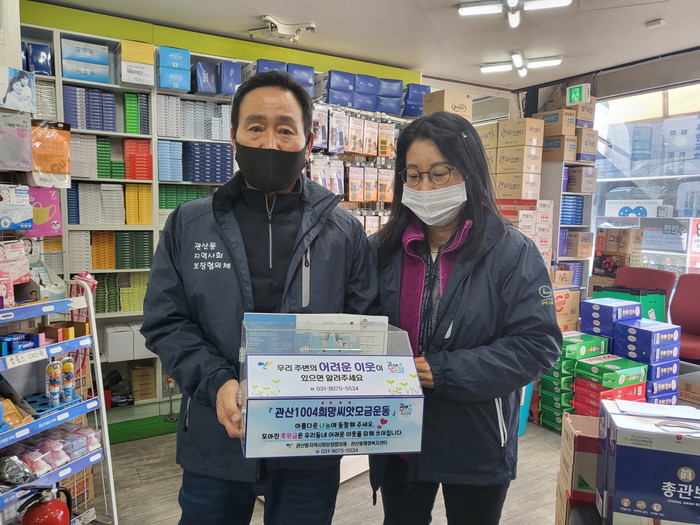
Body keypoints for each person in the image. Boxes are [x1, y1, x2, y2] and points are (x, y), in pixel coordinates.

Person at [140, 70, 378, 525]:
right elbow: (165, 321)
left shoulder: (344, 231)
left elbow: (364, 325)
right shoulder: (189, 224)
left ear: (309, 142)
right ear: (233, 137)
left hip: (309, 444)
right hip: (216, 439)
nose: (270, 142)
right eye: (255, 127)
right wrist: (217, 382)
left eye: (286, 130)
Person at [370, 111, 562, 525]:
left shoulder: (512, 252)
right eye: (413, 175)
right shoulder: (381, 250)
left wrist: (445, 371)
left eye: (440, 173)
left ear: (469, 172)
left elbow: (538, 345)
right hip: (398, 433)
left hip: (477, 437)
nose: (425, 187)